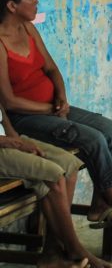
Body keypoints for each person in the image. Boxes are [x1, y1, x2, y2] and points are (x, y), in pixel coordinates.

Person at [0, 0, 112, 233]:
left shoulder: (28, 28)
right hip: (27, 117)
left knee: (111, 131)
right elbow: (9, 101)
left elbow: (52, 69)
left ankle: (100, 202)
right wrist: (49, 109)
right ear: (12, 6)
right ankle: (111, 199)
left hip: (54, 107)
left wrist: (61, 98)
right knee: (93, 139)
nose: (36, 1)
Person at [0, 104, 104, 268]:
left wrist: (17, 140)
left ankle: (53, 250)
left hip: (8, 140)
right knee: (54, 175)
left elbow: (2, 114)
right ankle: (75, 248)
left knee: (69, 165)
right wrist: (12, 143)